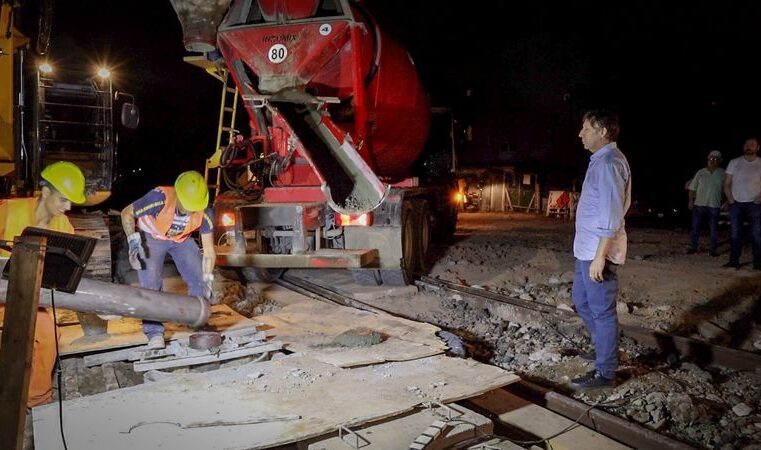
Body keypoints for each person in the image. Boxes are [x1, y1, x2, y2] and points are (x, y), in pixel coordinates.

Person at [0, 161, 87, 407]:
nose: (67, 207)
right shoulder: (8, 210)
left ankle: (37, 400)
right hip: (2, 295)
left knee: (48, 335)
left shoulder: (63, 225)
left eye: (71, 202)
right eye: (63, 200)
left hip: (29, 298)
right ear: (46, 192)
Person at [570, 110, 631, 390]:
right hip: (586, 251)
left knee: (602, 311)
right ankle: (605, 350)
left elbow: (610, 214)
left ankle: (606, 372)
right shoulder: (600, 161)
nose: (581, 134)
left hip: (598, 253)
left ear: (603, 131)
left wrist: (600, 257)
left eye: (586, 129)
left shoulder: (609, 163)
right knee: (582, 301)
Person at [120, 170, 215, 349]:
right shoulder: (159, 197)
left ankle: (196, 320)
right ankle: (154, 331)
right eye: (186, 206)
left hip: (181, 239)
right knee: (151, 282)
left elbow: (209, 252)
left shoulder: (205, 213)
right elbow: (126, 213)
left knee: (199, 275)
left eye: (193, 208)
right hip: (152, 236)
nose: (189, 212)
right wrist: (133, 242)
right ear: (177, 194)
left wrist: (208, 279)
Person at [723, 137, 761, 269]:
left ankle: (758, 263)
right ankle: (734, 261)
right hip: (736, 204)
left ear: (758, 148)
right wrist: (730, 199)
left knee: (757, 234)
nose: (749, 146)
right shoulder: (734, 162)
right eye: (746, 144)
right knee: (734, 233)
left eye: (752, 144)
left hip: (755, 205)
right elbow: (727, 183)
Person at [687, 150, 725, 256]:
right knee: (695, 227)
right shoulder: (701, 172)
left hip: (714, 205)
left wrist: (726, 202)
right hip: (699, 204)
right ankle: (693, 247)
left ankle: (712, 250)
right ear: (707, 159)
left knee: (713, 228)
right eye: (710, 159)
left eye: (715, 159)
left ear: (719, 161)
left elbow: (726, 188)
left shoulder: (723, 173)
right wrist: (690, 201)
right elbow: (692, 188)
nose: (712, 161)